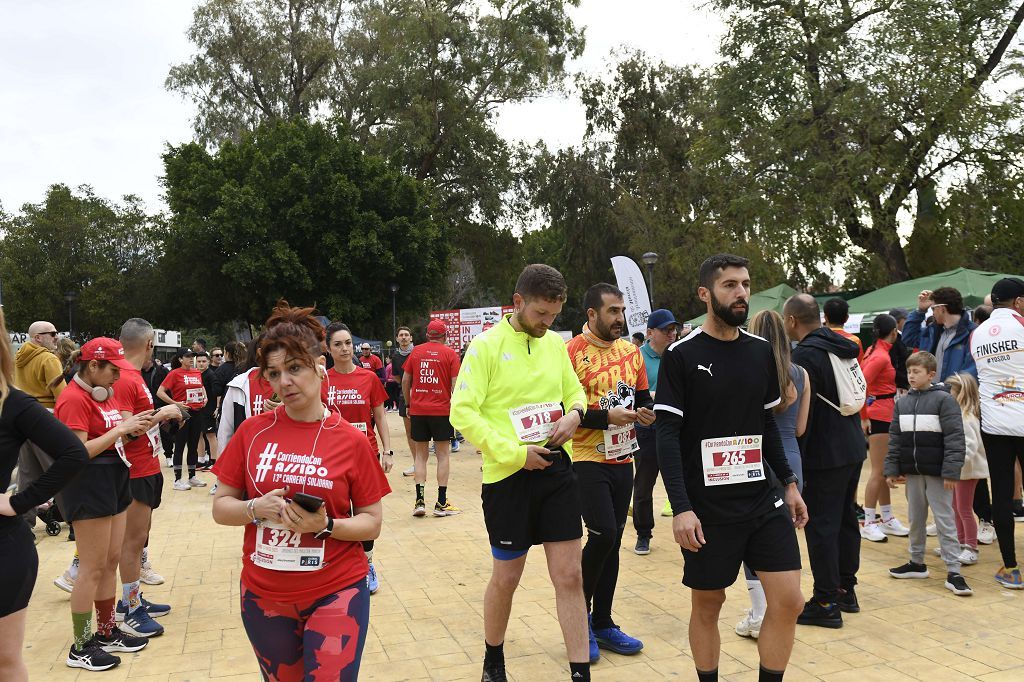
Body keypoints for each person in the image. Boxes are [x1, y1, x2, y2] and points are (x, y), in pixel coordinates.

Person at [211, 303, 389, 681]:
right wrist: (256, 507)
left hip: (337, 589)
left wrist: (325, 526)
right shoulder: (252, 433)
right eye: (274, 374)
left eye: (294, 369)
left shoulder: (351, 440)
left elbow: (372, 523)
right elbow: (221, 507)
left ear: (318, 365)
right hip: (265, 595)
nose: (284, 382)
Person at [656, 255, 806, 682]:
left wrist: (790, 483)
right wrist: (681, 507)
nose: (740, 293)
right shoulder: (681, 356)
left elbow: (764, 424)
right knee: (709, 604)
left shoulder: (760, 352)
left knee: (789, 601)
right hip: (708, 509)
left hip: (763, 499)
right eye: (729, 285)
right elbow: (667, 436)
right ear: (705, 294)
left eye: (744, 284)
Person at [450, 264, 591, 682]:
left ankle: (580, 672)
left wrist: (575, 414)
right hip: (507, 479)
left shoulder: (553, 346)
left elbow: (575, 391)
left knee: (570, 574)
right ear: (517, 303)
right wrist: (514, 453)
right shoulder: (486, 346)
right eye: (540, 315)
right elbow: (462, 412)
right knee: (507, 577)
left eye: (553, 316)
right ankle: (493, 662)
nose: (547, 324)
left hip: (556, 473)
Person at [55, 338, 155, 670]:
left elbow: (113, 435)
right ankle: (81, 645)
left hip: (113, 477)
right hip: (88, 484)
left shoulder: (102, 395)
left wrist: (135, 428)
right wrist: (120, 432)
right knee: (92, 567)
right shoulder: (73, 399)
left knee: (110, 560)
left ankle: (107, 628)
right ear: (94, 366)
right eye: (113, 370)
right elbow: (77, 451)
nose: (117, 378)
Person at [0, 308, 89, 682]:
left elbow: (73, 453)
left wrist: (19, 501)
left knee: (5, 661)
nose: (55, 336)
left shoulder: (11, 401)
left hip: (4, 548)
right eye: (50, 332)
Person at [566, 283, 653, 662]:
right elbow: (562, 408)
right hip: (585, 457)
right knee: (601, 535)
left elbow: (642, 396)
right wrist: (605, 418)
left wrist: (648, 412)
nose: (620, 318)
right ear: (591, 314)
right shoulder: (570, 354)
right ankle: (579, 621)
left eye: (621, 311)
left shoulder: (631, 352)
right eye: (612, 311)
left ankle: (603, 622)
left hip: (623, 458)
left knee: (615, 539)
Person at [784, 293, 865, 627]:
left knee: (821, 526)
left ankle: (826, 600)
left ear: (791, 321)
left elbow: (805, 413)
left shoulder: (805, 355)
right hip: (852, 444)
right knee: (846, 518)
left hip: (824, 451)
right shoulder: (843, 345)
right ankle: (847, 589)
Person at [734, 309, 811, 641]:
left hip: (757, 458)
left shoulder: (747, 369)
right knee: (783, 538)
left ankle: (759, 612)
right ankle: (782, 606)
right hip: (792, 459)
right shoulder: (802, 375)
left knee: (754, 538)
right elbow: (800, 427)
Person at [112, 319, 183, 637]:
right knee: (131, 542)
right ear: (150, 343)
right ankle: (130, 608)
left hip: (148, 466)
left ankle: (134, 598)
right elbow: (127, 432)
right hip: (136, 469)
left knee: (139, 539)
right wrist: (164, 414)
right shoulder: (126, 376)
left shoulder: (134, 375)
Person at [884, 352, 970, 595]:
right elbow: (895, 439)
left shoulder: (944, 400)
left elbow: (955, 438)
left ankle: (954, 571)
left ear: (931, 374)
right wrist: (891, 469)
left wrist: (952, 472)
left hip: (938, 474)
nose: (911, 376)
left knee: (944, 520)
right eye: (909, 372)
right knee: (915, 517)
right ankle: (916, 562)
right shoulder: (901, 403)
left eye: (917, 372)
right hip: (913, 473)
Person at [324, 322, 393, 594]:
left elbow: (380, 417)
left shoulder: (368, 378)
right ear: (328, 349)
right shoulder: (322, 380)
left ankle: (367, 564)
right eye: (338, 344)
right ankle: (338, 566)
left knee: (366, 513)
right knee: (338, 512)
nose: (344, 348)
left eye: (348, 343)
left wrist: (387, 451)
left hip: (366, 454)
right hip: (332, 458)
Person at [970, 277, 1024, 589]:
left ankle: (1011, 568)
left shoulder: (977, 334)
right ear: (1018, 302)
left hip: (995, 423)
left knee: (1002, 493)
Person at [858, 314, 909, 543]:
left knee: (884, 470)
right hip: (879, 415)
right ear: (894, 332)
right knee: (878, 472)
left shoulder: (873, 350)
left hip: (882, 412)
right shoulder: (879, 356)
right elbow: (861, 384)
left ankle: (886, 517)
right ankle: (869, 522)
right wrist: (864, 416)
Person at [402, 320, 461, 517]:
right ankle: (441, 502)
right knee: (443, 455)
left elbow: (405, 380)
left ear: (427, 335)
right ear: (444, 336)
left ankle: (419, 501)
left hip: (418, 410)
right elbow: (455, 384)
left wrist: (409, 404)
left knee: (421, 456)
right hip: (442, 410)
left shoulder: (416, 351)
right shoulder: (450, 354)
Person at [632, 309, 680, 554]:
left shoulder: (679, 354)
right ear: (650, 333)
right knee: (643, 485)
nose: (672, 334)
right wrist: (658, 396)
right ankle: (643, 534)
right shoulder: (637, 357)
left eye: (673, 329)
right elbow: (631, 394)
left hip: (676, 430)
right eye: (665, 330)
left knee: (683, 481)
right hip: (646, 430)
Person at [12, 320, 66, 528]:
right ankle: (75, 518)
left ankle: (23, 522)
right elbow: (62, 394)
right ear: (38, 338)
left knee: (27, 475)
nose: (56, 337)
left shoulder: (19, 358)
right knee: (61, 470)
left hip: (23, 419)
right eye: (52, 334)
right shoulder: (48, 359)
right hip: (47, 418)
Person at [944, 372, 989, 566]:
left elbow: (969, 446)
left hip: (967, 471)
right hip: (959, 471)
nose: (949, 395)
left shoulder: (967, 418)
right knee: (956, 507)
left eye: (952, 391)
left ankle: (971, 547)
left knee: (964, 509)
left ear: (961, 393)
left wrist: (955, 464)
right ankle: (959, 544)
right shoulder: (958, 415)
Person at [157, 350, 208, 490]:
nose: (191, 359)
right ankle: (177, 480)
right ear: (180, 359)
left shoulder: (196, 372)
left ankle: (192, 477)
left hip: (197, 412)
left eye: (192, 357)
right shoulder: (174, 373)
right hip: (182, 414)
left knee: (193, 445)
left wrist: (205, 397)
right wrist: (175, 403)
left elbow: (201, 387)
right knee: (180, 446)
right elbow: (160, 392)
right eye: (188, 357)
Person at [902, 287, 977, 379]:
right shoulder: (932, 331)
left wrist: (953, 388)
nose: (932, 313)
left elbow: (972, 370)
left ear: (942, 309)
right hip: (931, 391)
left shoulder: (973, 333)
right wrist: (920, 311)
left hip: (957, 391)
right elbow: (908, 338)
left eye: (933, 309)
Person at [195, 351, 219, 470]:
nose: (201, 364)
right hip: (198, 410)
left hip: (209, 410)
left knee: (211, 435)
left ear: (208, 362)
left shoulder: (211, 375)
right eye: (199, 361)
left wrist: (217, 408)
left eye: (203, 361)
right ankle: (201, 459)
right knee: (199, 434)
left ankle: (214, 461)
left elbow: (218, 392)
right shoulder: (196, 374)